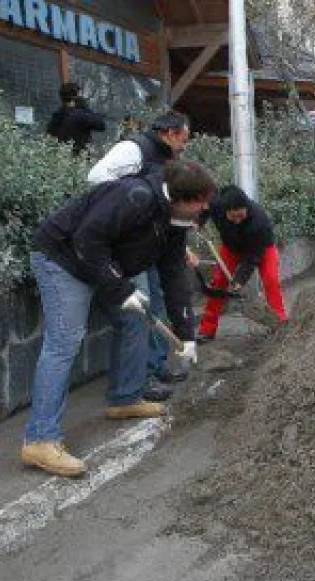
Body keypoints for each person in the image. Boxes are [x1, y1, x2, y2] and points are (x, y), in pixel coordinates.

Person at [20, 160, 215, 478]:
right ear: (180, 198)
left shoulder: (175, 221)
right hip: (63, 258)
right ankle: (40, 440)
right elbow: (87, 239)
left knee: (135, 320)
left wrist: (187, 334)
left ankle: (124, 398)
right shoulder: (134, 197)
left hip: (101, 265)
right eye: (200, 202)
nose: (205, 208)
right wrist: (119, 287)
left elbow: (173, 278)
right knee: (64, 340)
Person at [88, 111, 195, 393]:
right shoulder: (133, 149)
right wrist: (132, 205)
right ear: (170, 133)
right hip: (127, 243)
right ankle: (143, 379)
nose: (185, 146)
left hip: (151, 243)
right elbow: (96, 176)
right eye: (183, 140)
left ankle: (156, 367)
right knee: (142, 311)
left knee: (156, 303)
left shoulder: (167, 160)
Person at [198, 185, 288, 340]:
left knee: (271, 280)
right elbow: (205, 208)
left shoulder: (259, 222)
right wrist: (198, 222)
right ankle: (207, 329)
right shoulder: (217, 205)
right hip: (231, 247)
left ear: (246, 208)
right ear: (224, 210)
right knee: (218, 282)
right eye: (233, 217)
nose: (237, 220)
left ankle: (279, 323)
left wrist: (239, 280)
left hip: (261, 249)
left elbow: (253, 257)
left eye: (241, 216)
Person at [45, 82, 106, 155]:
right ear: (75, 97)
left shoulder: (57, 115)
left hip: (61, 158)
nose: (82, 97)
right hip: (79, 160)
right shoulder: (79, 115)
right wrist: (84, 108)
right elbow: (101, 125)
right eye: (80, 95)